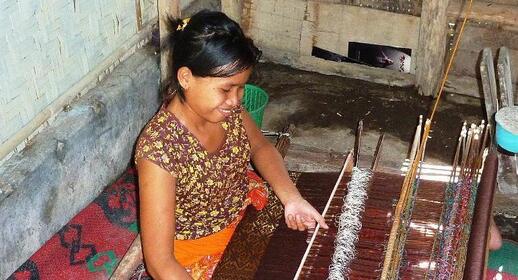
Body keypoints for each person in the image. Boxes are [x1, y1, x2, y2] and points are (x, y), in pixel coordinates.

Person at [134, 11, 328, 280]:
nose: (236, 101)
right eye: (226, 89)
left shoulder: (226, 112)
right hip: (199, 255)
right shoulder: (159, 150)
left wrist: (292, 199)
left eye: (240, 88)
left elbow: (260, 147)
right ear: (185, 78)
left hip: (243, 217)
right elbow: (160, 263)